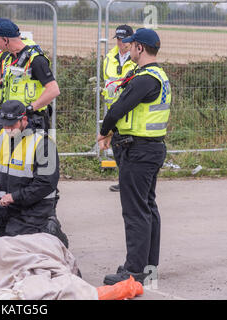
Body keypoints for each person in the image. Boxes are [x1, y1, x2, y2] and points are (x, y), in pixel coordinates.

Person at [97, 28, 171, 285]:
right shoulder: (153, 75)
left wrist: (104, 130)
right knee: (147, 207)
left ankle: (134, 269)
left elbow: (118, 108)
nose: (127, 49)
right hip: (148, 148)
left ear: (140, 47)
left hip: (138, 151)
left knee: (135, 211)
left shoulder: (145, 78)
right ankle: (149, 266)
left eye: (132, 45)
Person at [0, 100, 68, 247]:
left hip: (36, 207)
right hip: (8, 206)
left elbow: (46, 183)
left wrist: (14, 197)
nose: (8, 129)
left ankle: (51, 231)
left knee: (16, 245)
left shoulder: (43, 143)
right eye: (4, 125)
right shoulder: (2, 136)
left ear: (24, 119)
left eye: (11, 125)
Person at [0, 19, 60, 131]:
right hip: (11, 121)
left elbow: (54, 90)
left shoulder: (35, 59)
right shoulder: (8, 58)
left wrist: (30, 108)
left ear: (5, 39)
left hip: (32, 121)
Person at [102, 25, 136, 193]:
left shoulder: (137, 58)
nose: (120, 42)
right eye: (118, 38)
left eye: (124, 39)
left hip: (130, 110)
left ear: (131, 39)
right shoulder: (109, 57)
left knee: (130, 149)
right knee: (117, 147)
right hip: (114, 109)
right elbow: (107, 81)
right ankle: (124, 181)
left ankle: (131, 183)